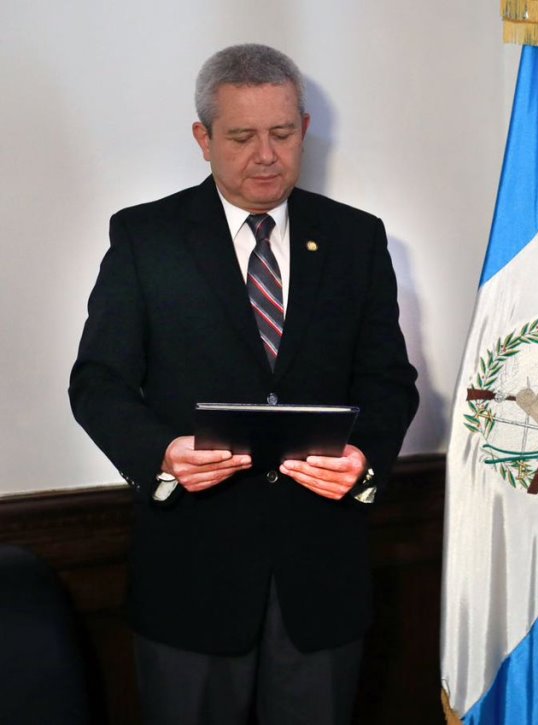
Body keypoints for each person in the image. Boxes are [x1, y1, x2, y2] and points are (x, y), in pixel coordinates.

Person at [69, 43, 419, 724]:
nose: (266, 154)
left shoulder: (356, 239)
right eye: (242, 136)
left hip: (321, 584)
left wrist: (364, 459)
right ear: (203, 139)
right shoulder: (146, 238)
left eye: (282, 133)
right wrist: (160, 456)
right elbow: (98, 382)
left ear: (305, 129)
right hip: (190, 584)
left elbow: (389, 380)